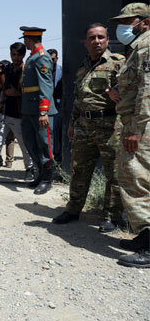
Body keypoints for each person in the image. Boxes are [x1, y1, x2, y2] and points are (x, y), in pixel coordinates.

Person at [52, 23, 125, 232]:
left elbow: (128, 92)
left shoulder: (118, 63)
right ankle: (73, 209)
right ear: (85, 42)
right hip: (84, 126)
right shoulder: (83, 67)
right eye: (92, 38)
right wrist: (73, 123)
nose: (97, 42)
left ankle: (112, 216)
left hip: (110, 126)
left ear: (108, 40)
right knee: (79, 170)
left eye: (101, 37)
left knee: (114, 174)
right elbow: (78, 98)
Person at [109, 3, 150, 268]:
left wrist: (136, 130)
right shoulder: (137, 47)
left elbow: (148, 92)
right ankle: (144, 236)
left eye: (128, 21)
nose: (123, 26)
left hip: (141, 128)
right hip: (133, 123)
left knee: (140, 182)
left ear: (144, 21)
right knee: (132, 179)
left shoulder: (146, 47)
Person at [0, 42, 35, 185]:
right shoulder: (6, 70)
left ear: (23, 55)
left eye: (18, 54)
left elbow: (30, 90)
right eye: (13, 54)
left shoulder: (26, 70)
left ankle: (29, 169)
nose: (15, 57)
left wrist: (17, 93)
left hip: (18, 113)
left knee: (24, 144)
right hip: (3, 111)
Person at [20, 26, 57, 195]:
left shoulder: (42, 58)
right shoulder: (32, 57)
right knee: (31, 144)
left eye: (25, 40)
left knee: (44, 145)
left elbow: (46, 85)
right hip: (28, 109)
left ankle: (47, 179)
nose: (25, 43)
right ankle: (39, 174)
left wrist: (43, 111)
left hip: (40, 110)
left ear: (29, 39)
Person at [47, 48, 63, 164]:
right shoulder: (43, 71)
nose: (51, 61)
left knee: (57, 131)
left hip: (58, 106)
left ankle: (57, 155)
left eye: (53, 59)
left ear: (57, 58)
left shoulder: (61, 71)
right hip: (46, 106)